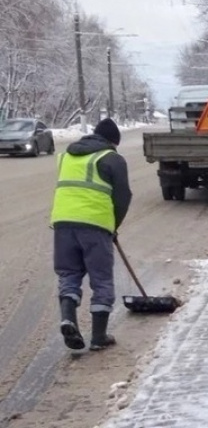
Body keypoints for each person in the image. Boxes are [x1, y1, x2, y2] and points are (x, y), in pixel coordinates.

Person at [50, 118, 132, 351]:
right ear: (113, 142)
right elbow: (123, 197)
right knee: (102, 280)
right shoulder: (112, 159)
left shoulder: (66, 156)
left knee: (68, 274)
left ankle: (68, 318)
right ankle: (98, 337)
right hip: (95, 226)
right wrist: (113, 226)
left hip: (63, 223)